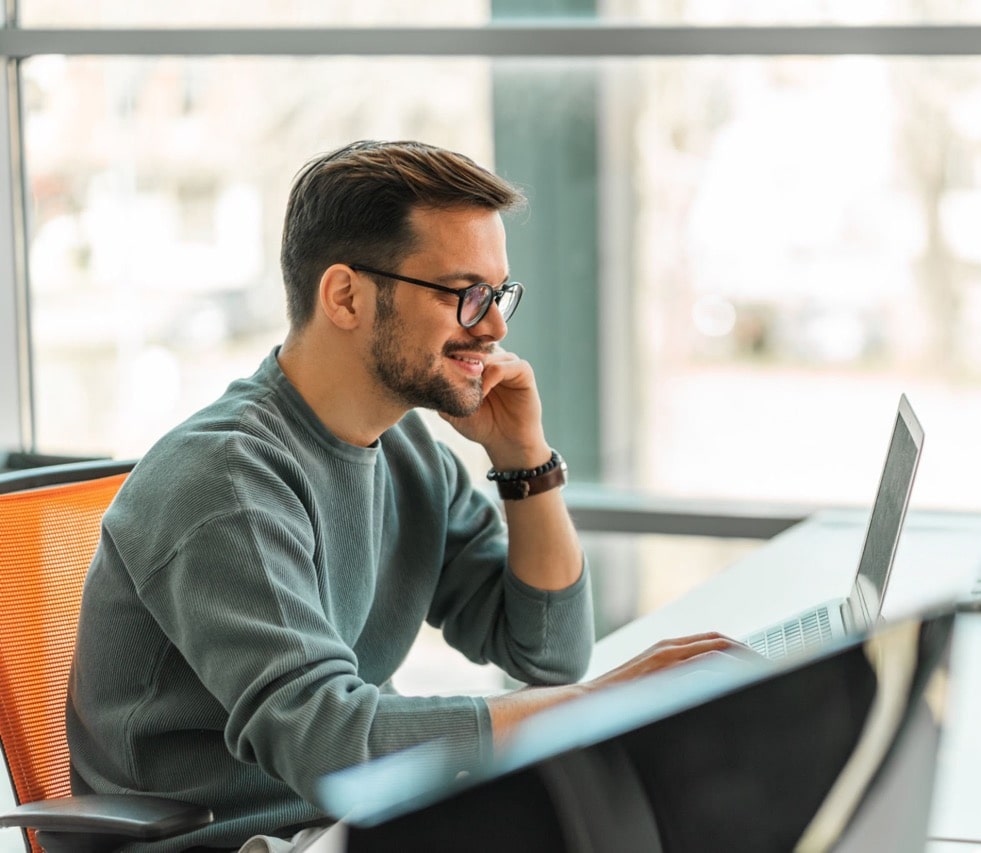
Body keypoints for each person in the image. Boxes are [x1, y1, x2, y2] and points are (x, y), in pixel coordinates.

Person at [67, 140, 745, 852]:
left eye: (498, 292)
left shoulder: (406, 452)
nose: (494, 326)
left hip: (354, 823)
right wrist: (601, 702)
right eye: (464, 294)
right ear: (346, 296)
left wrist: (524, 462)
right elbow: (332, 744)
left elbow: (548, 653)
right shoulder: (226, 482)